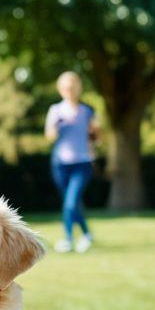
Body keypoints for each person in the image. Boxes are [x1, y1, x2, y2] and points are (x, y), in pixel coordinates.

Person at [44, 71, 99, 253]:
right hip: (60, 164)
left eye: (73, 86)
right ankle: (87, 235)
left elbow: (97, 137)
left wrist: (95, 134)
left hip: (82, 164)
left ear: (79, 88)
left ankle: (68, 239)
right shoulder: (55, 110)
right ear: (61, 89)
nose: (70, 90)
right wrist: (57, 125)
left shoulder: (88, 111)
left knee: (70, 203)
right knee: (72, 203)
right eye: (66, 87)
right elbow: (49, 136)